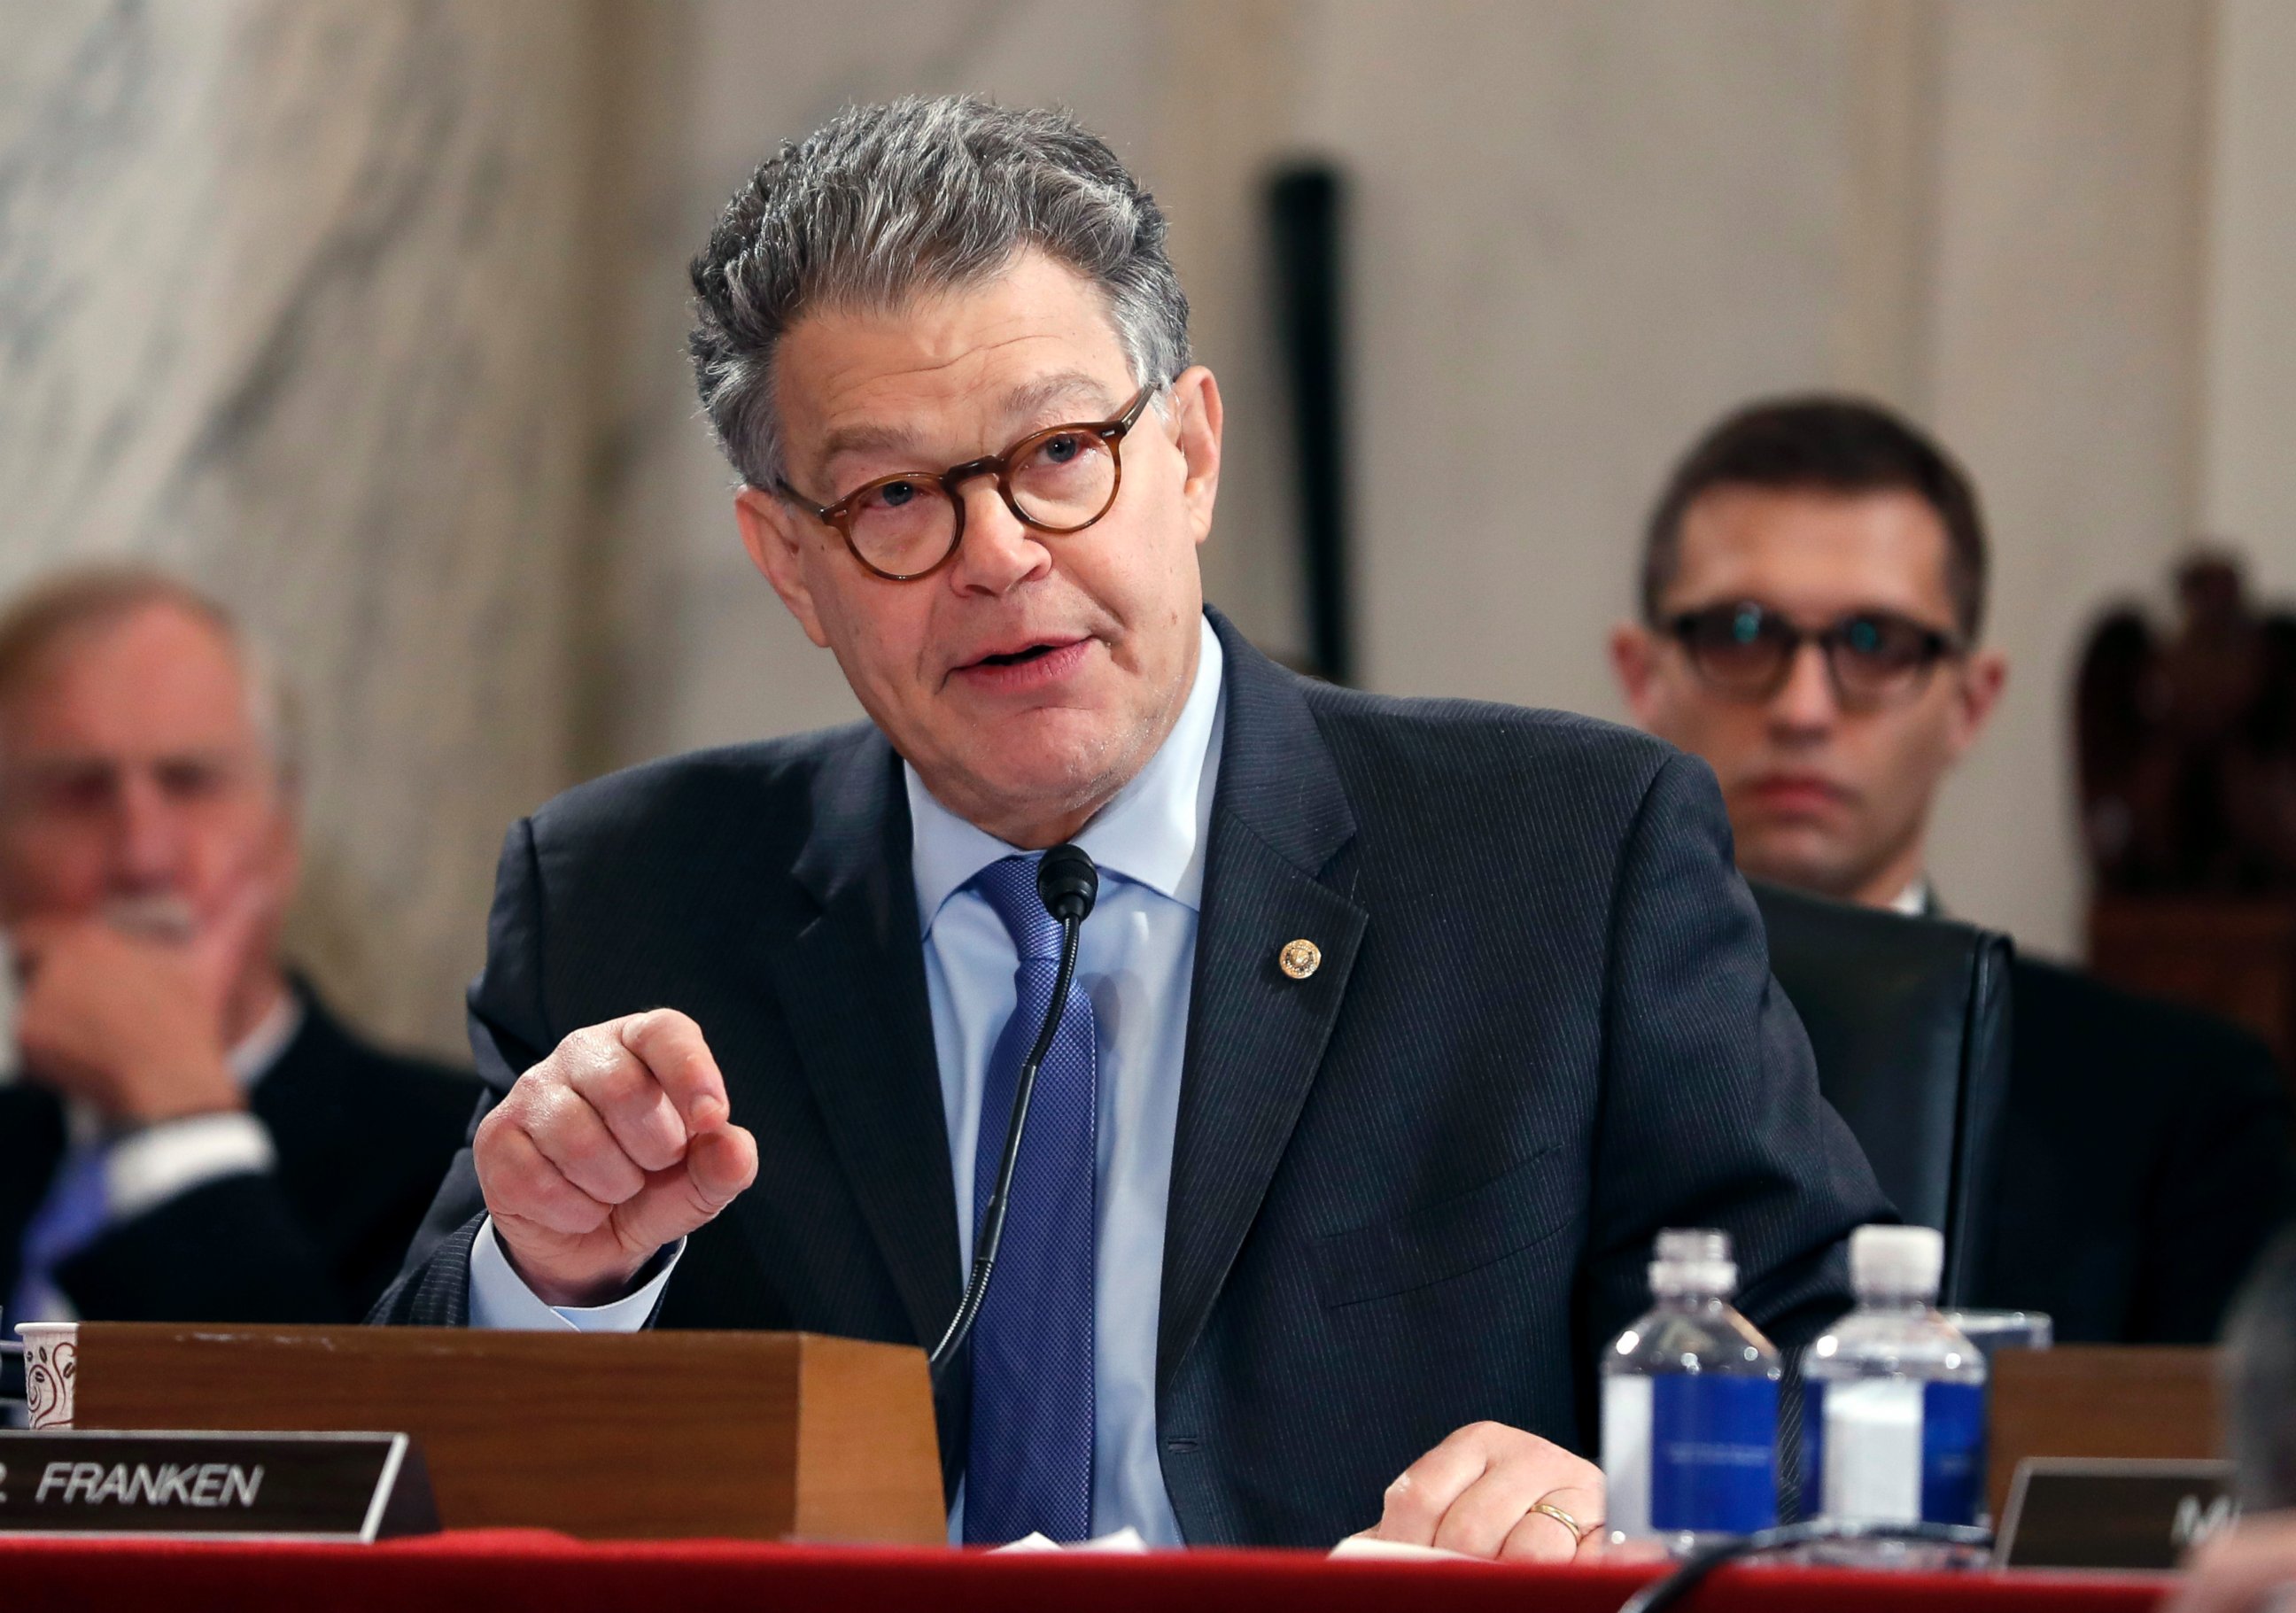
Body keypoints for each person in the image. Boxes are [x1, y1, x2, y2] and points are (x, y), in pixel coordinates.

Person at [379, 96, 1888, 1555]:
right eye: (896, 496)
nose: (999, 557)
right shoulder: (626, 896)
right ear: (789, 562)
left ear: (1189, 454)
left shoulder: (1565, 859)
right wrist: (554, 1278)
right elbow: (382, 1462)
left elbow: (1847, 1385)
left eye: (1057, 457)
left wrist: (1615, 1493)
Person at [1611, 397, 2296, 1343]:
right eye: (1740, 633)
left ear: (1971, 704)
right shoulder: (1521, 1069)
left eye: (1874, 644)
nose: (1804, 709)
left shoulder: (2175, 1105)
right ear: (1641, 677)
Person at [0, 568, 477, 1328]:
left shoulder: (466, 1166)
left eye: (190, 781)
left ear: (281, 832)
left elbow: (336, 1438)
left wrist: (179, 1117)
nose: (143, 857)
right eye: (79, 791)